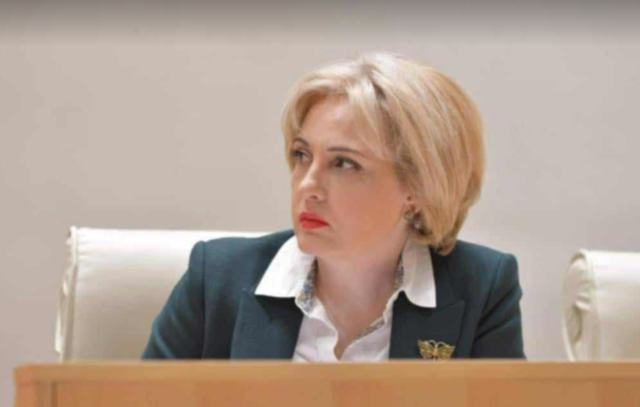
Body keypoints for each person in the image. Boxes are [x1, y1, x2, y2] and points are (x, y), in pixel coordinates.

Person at [141, 52, 526, 361]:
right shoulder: (215, 280)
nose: (308, 185)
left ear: (418, 185)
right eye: (302, 155)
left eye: (344, 163)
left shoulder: (482, 288)